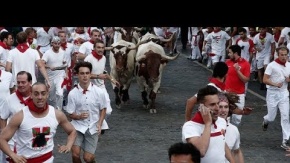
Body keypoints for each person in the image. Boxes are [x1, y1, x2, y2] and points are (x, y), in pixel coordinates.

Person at [0, 82, 76, 163]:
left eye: (43, 94)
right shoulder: (20, 116)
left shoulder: (57, 114)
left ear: (47, 94)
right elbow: (2, 139)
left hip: (46, 159)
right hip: (24, 160)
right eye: (36, 94)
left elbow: (72, 131)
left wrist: (68, 146)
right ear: (31, 95)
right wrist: (12, 155)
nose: (40, 97)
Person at [65, 61, 107, 163]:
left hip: (93, 127)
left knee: (88, 158)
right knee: (75, 154)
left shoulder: (99, 92)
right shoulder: (72, 94)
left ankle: (92, 159)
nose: (85, 76)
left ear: (90, 74)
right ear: (77, 75)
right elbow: (69, 114)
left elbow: (103, 108)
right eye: (82, 73)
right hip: (77, 127)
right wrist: (78, 116)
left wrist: (100, 124)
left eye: (87, 73)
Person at [182, 85, 235, 163]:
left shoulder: (221, 122)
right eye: (212, 105)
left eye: (218, 103)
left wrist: (232, 161)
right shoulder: (190, 127)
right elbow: (201, 151)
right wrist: (208, 124)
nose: (217, 108)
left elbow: (222, 143)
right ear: (201, 106)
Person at [185, 62, 252, 122]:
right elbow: (190, 101)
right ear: (226, 74)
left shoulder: (220, 88)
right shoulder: (210, 88)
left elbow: (229, 108)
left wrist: (243, 112)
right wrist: (188, 123)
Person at [262, 46, 290, 150]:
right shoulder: (271, 66)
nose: (284, 57)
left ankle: (285, 140)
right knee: (271, 117)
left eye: (285, 55)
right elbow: (265, 79)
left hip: (283, 93)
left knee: (285, 116)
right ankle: (266, 120)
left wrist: (289, 79)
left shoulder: (289, 65)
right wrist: (274, 84)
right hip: (272, 93)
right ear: (278, 55)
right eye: (282, 55)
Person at [225, 44, 251, 126]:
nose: (228, 55)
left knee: (237, 119)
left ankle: (233, 134)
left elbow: (245, 80)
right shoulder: (227, 63)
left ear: (235, 53)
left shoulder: (245, 64)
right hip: (227, 94)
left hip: (239, 95)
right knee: (225, 117)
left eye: (230, 53)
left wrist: (237, 71)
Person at [42, 36, 67, 110]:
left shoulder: (63, 52)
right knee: (51, 97)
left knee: (60, 93)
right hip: (50, 77)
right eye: (55, 43)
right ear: (52, 43)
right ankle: (51, 111)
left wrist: (66, 74)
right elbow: (41, 64)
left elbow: (65, 64)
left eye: (59, 44)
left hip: (60, 76)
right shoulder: (47, 53)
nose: (57, 45)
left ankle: (59, 111)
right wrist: (49, 67)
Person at [218, 92, 245, 163]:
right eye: (220, 107)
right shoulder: (206, 128)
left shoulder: (233, 129)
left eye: (226, 107)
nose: (223, 110)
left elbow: (237, 152)